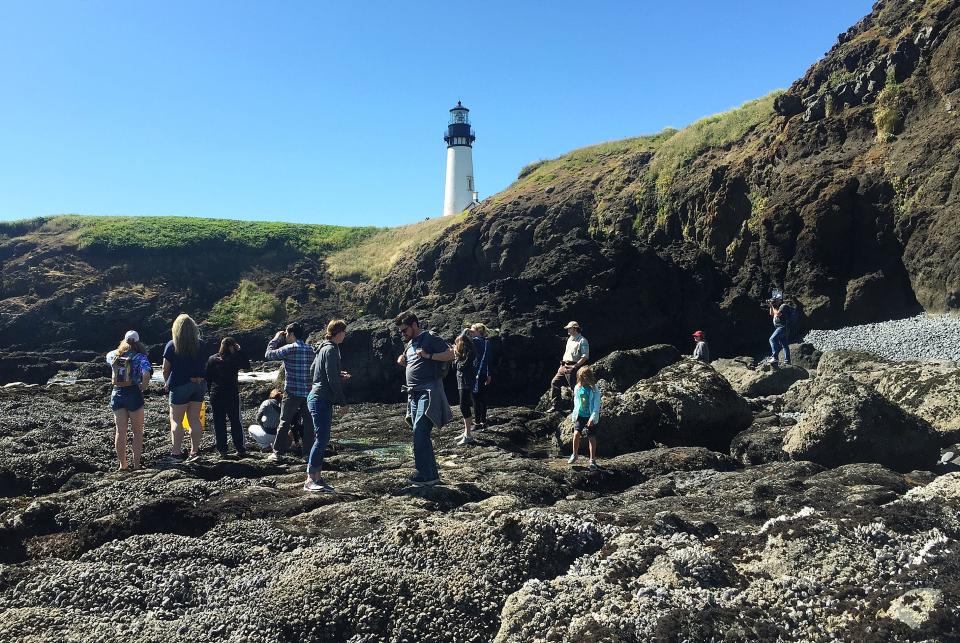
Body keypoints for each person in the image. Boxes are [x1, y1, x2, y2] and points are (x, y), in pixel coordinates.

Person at [395, 311, 454, 486]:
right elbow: (413, 361)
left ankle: (425, 474)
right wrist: (403, 360)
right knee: (419, 433)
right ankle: (431, 474)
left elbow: (452, 354)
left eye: (404, 330)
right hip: (413, 395)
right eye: (400, 331)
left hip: (429, 392)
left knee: (420, 432)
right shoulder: (411, 343)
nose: (402, 334)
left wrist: (429, 356)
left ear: (414, 325)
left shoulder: (430, 338)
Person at [304, 319, 351, 492]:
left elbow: (313, 371)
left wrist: (338, 375)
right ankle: (310, 479)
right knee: (321, 439)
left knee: (322, 438)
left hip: (316, 397)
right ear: (338, 332)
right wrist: (342, 401)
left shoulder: (322, 347)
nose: (345, 335)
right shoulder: (331, 349)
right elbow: (331, 378)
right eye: (344, 332)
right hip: (320, 399)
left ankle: (317, 477)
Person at [264, 322, 315, 462]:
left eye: (287, 333)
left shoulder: (289, 349)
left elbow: (268, 355)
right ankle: (307, 454)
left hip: (292, 391)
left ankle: (278, 452)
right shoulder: (311, 349)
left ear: (292, 334)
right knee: (309, 423)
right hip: (308, 392)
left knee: (284, 421)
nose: (285, 335)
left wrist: (276, 338)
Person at [162, 314, 207, 462]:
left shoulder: (172, 344)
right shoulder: (201, 344)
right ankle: (195, 451)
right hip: (199, 385)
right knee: (194, 419)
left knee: (176, 420)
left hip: (179, 385)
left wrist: (167, 383)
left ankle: (176, 453)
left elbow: (165, 369)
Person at [106, 330, 153, 470]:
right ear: (138, 342)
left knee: (120, 431)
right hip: (133, 393)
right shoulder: (141, 357)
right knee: (137, 432)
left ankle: (123, 465)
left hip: (117, 393)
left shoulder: (113, 355)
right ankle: (137, 465)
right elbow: (146, 374)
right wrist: (143, 387)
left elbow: (109, 359)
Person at [206, 337, 251, 459]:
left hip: (216, 394)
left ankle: (222, 450)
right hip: (231, 394)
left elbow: (208, 378)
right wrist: (240, 351)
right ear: (233, 346)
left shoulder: (212, 359)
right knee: (235, 422)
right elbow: (247, 365)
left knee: (219, 422)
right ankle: (240, 449)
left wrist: (210, 393)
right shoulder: (234, 359)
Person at [550, 321, 590, 412]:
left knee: (575, 389)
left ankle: (578, 409)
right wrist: (562, 365)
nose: (568, 330)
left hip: (573, 367)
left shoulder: (582, 340)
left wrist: (575, 366)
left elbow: (585, 357)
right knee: (555, 383)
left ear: (575, 328)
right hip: (564, 366)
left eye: (569, 328)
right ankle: (556, 406)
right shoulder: (570, 339)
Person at [568, 366, 601, 471]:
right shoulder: (577, 388)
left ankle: (592, 459)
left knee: (591, 437)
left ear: (589, 378)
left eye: (585, 378)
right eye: (581, 378)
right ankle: (574, 454)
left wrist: (592, 418)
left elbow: (596, 406)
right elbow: (576, 402)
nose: (583, 381)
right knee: (576, 433)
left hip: (590, 417)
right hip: (580, 416)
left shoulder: (595, 390)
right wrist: (574, 414)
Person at [453, 329, 477, 445]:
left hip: (466, 382)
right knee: (463, 406)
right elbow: (455, 366)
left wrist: (457, 357)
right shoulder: (463, 351)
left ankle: (468, 435)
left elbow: (462, 367)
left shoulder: (470, 351)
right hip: (461, 381)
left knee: (464, 406)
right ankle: (466, 432)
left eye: (458, 343)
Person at [470, 323, 493, 430]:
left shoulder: (475, 341)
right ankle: (483, 421)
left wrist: (466, 332)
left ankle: (477, 422)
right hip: (484, 373)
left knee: (475, 399)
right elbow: (488, 360)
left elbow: (461, 338)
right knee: (483, 398)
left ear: (478, 331)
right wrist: (489, 374)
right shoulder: (487, 342)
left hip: (475, 375)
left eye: (473, 330)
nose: (471, 331)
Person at [768, 297, 792, 365]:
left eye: (776, 300)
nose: (775, 301)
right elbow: (771, 314)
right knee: (784, 345)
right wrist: (771, 306)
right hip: (781, 328)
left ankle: (775, 357)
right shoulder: (778, 307)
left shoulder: (783, 306)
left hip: (782, 327)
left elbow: (778, 314)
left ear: (780, 300)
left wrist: (773, 306)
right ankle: (787, 361)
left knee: (772, 339)